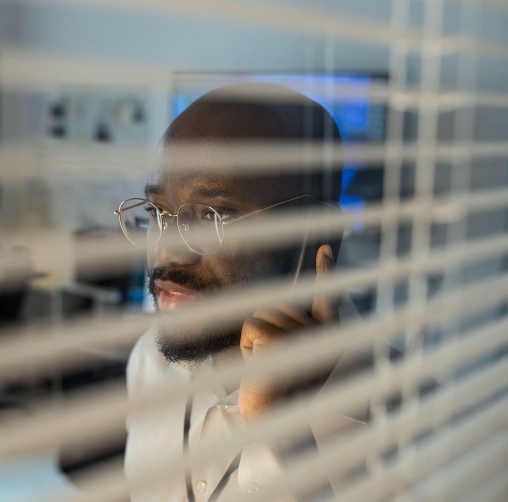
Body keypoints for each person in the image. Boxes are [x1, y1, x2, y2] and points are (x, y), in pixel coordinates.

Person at [119, 83, 363, 501]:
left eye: (215, 216)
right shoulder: (150, 360)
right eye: (158, 212)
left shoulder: (412, 420)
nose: (165, 251)